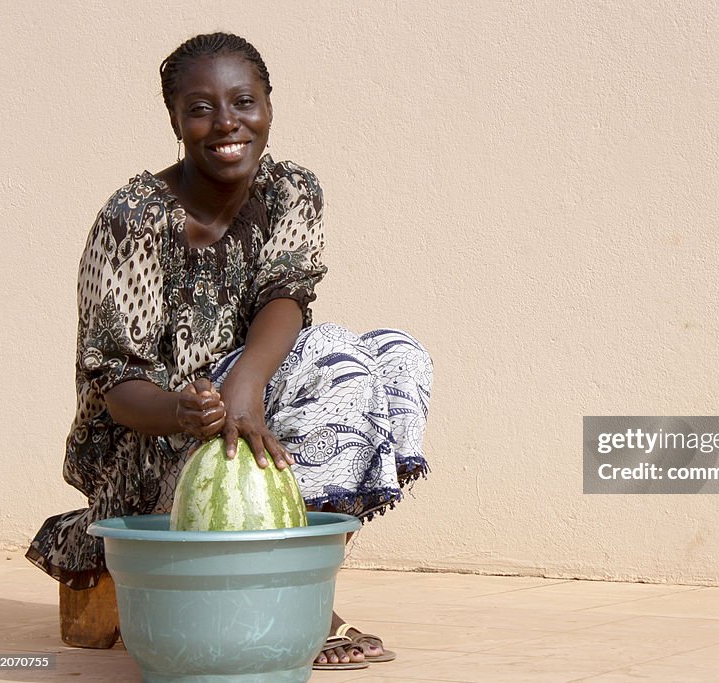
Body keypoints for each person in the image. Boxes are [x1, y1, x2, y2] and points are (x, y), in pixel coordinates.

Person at [25, 32, 432, 671]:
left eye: (244, 101)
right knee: (324, 361)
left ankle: (288, 580)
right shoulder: (133, 219)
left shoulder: (290, 189)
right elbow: (115, 381)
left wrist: (245, 385)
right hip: (152, 438)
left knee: (388, 357)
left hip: (246, 407)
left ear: (269, 104)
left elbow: (287, 292)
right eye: (200, 107)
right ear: (175, 121)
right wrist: (186, 413)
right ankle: (284, 600)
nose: (226, 123)